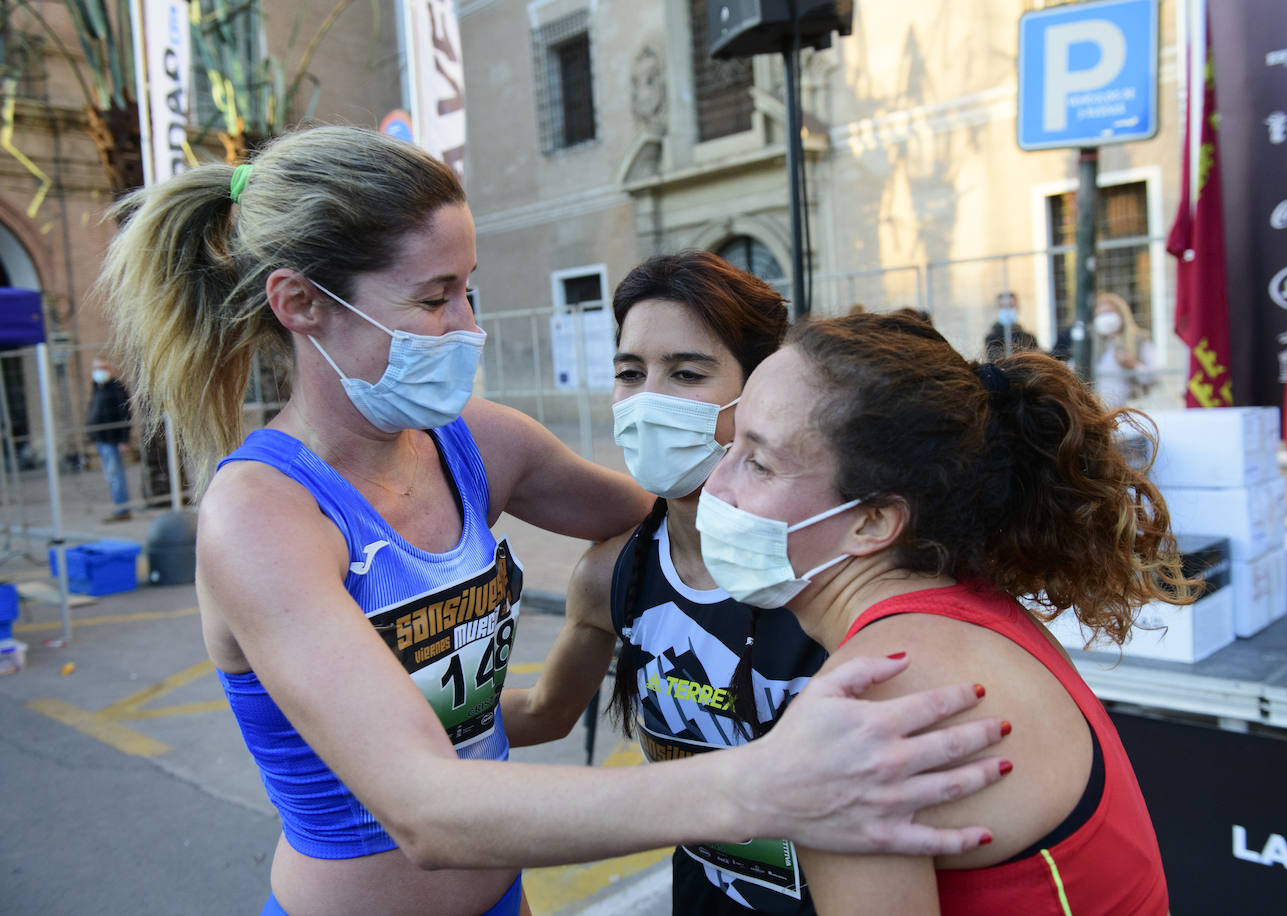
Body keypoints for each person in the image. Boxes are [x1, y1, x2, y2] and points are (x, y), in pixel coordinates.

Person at [94, 126, 1013, 916]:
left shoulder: (474, 443)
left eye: (469, 288)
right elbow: (429, 809)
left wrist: (819, 474)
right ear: (301, 304)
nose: (465, 325)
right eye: (431, 297)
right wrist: (764, 785)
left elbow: (673, 528)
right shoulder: (260, 516)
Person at [698, 310, 1198, 914]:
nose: (713, 486)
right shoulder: (966, 605)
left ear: (874, 520)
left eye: (758, 462)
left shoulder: (871, 701)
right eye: (729, 445)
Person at [502, 251, 827, 915]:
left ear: (759, 390)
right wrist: (367, 720)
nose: (649, 399)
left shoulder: (826, 575)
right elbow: (544, 712)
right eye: (630, 372)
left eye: (685, 372)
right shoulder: (610, 575)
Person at [86, 356, 134, 522]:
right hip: (102, 438)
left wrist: (123, 439)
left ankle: (122, 509)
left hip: (113, 439)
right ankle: (119, 506)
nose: (99, 371)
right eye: (97, 368)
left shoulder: (116, 388)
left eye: (103, 367)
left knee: (115, 474)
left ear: (109, 369)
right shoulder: (97, 387)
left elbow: (125, 414)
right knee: (110, 474)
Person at [1092, 291, 1158, 409]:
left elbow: (1153, 377)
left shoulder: (1139, 339)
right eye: (1100, 314)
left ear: (1121, 315)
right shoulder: (1092, 346)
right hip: (1100, 410)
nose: (1105, 318)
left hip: (1132, 408)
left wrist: (1133, 365)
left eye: (1109, 313)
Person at [983, 292, 1039, 360]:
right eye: (1003, 306)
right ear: (997, 309)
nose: (1007, 310)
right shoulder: (992, 338)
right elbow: (996, 358)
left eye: (1011, 306)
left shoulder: (1029, 337)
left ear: (1017, 307)